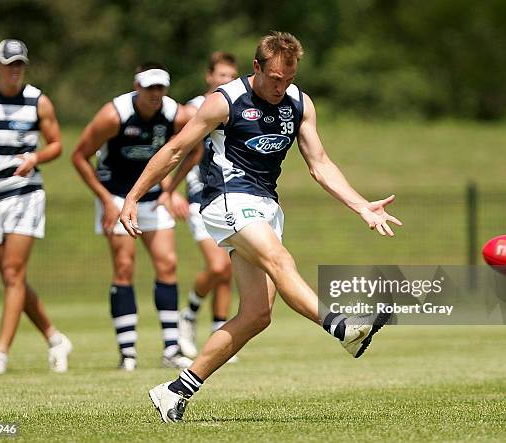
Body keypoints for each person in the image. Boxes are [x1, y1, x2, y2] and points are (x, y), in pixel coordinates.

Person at [119, 32, 402, 422]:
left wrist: (360, 206)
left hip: (266, 205)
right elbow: (175, 149)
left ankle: (175, 390)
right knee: (280, 259)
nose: (280, 87)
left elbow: (319, 164)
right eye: (273, 78)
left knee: (256, 315)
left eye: (287, 79)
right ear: (257, 67)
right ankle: (342, 327)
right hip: (227, 200)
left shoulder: (299, 103)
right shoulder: (224, 100)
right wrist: (133, 197)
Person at [72, 62, 195, 370]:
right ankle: (127, 353)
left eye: (160, 88)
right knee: (124, 268)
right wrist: (106, 200)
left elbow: (195, 148)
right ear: (136, 87)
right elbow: (79, 156)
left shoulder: (176, 114)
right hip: (116, 196)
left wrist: (171, 189)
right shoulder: (114, 115)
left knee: (167, 265)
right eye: (149, 87)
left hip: (152, 197)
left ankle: (171, 349)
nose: (155, 94)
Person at [0, 39, 72, 376]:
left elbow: (56, 144)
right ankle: (55, 338)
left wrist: (36, 157)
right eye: (10, 64)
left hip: (27, 194)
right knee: (12, 278)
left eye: (20, 64)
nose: (15, 70)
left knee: (12, 274)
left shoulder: (38, 101)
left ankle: (0, 354)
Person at [170, 52, 239, 359]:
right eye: (222, 75)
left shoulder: (241, 105)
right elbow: (175, 151)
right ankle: (189, 314)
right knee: (218, 265)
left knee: (226, 272)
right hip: (201, 197)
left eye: (231, 76)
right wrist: (170, 191)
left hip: (234, 197)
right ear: (209, 76)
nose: (227, 81)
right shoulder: (193, 109)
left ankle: (219, 334)